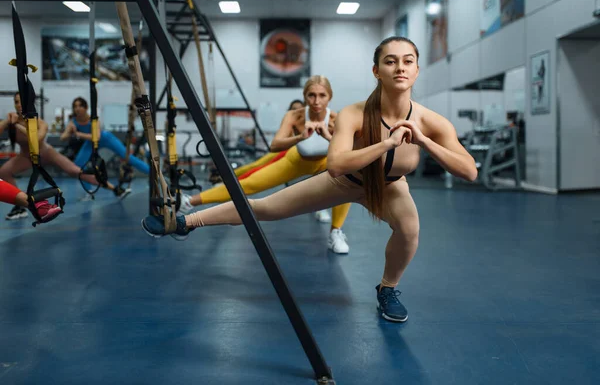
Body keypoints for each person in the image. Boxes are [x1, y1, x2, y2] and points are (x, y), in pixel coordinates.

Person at [142, 37, 478, 322]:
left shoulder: (431, 122)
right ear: (377, 71)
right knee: (266, 207)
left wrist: (425, 141)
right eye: (390, 61)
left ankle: (387, 288)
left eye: (408, 61)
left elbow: (469, 171)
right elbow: (335, 164)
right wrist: (386, 143)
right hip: (347, 181)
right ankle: (187, 221)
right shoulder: (353, 113)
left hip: (392, 186)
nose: (400, 67)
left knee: (409, 229)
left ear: (417, 69)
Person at [178, 77, 352, 254]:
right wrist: (300, 137)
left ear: (329, 97)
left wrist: (328, 136)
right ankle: (189, 202)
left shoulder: (337, 120)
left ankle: (335, 232)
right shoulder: (294, 116)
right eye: (311, 95)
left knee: (346, 179)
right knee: (250, 183)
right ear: (305, 96)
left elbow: (347, 151)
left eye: (322, 95)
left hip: (324, 162)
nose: (316, 101)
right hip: (297, 160)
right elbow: (275, 145)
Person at [0, 93, 125, 220]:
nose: (19, 105)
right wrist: (7, 121)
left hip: (46, 153)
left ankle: (115, 189)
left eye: (22, 101)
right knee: (4, 171)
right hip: (26, 157)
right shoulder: (11, 120)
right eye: (16, 102)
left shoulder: (38, 122)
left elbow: (37, 139)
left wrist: (17, 125)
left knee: (76, 172)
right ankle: (20, 207)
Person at [61, 96, 150, 182]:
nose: (77, 108)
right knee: (78, 165)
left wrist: (77, 134)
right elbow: (63, 138)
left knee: (128, 158)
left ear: (86, 107)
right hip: (90, 142)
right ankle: (90, 191)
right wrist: (70, 132)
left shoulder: (93, 119)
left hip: (106, 138)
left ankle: (154, 174)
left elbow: (96, 137)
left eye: (80, 106)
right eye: (75, 106)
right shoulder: (73, 122)